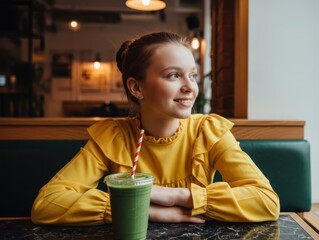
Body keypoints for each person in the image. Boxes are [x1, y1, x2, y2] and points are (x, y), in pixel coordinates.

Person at [31, 31, 280, 226]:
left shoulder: (209, 131)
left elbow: (267, 202)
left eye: (192, 75)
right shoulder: (113, 137)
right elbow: (48, 204)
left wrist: (177, 196)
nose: (190, 87)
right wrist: (144, 211)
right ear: (136, 88)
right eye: (173, 75)